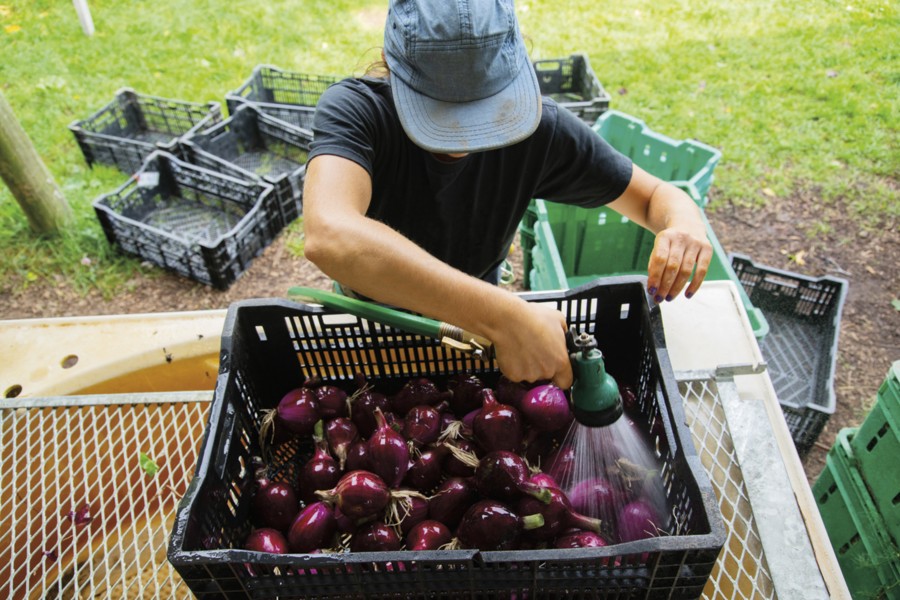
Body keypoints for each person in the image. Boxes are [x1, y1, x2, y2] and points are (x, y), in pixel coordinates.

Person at [302, 0, 712, 391]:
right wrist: (502, 315)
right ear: (393, 64)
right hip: (375, 327)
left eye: (482, 111)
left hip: (481, 333)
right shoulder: (356, 113)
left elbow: (655, 196)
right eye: (439, 112)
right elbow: (330, 234)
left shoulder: (539, 133)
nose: (462, 136)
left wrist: (683, 222)